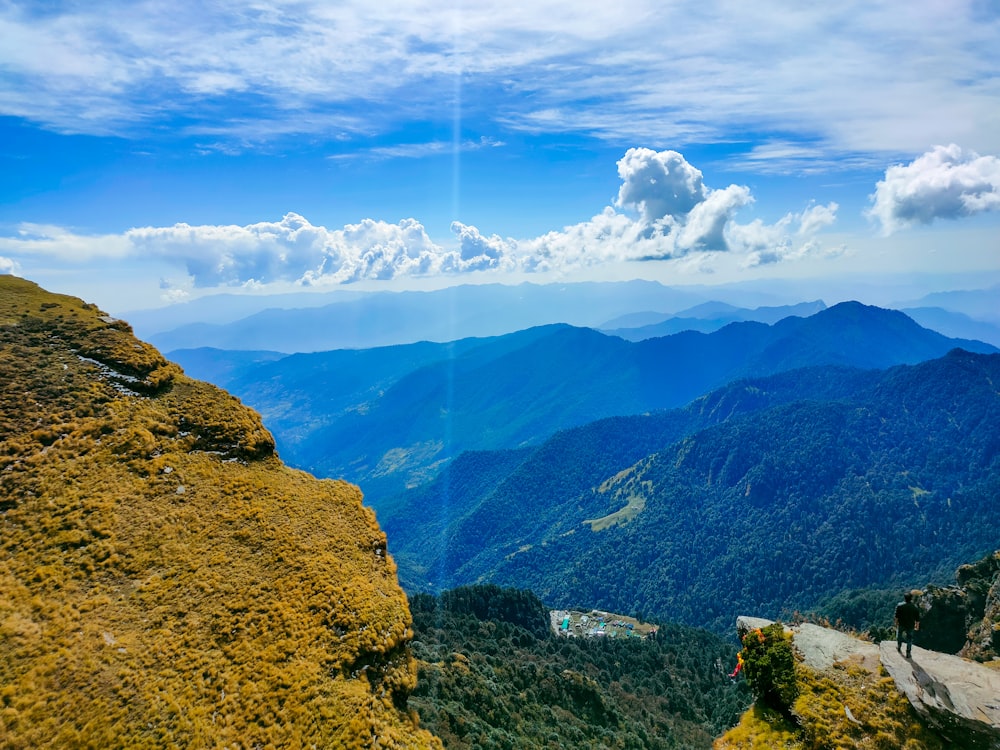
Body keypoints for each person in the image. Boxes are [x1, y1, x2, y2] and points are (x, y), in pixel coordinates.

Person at [894, 592, 920, 658]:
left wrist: (896, 623)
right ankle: (908, 652)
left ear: (904, 598)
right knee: (909, 639)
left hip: (901, 624)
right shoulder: (915, 607)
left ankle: (899, 647)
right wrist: (917, 626)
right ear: (911, 599)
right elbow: (917, 619)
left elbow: (896, 616)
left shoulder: (899, 605)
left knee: (899, 635)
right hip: (910, 625)